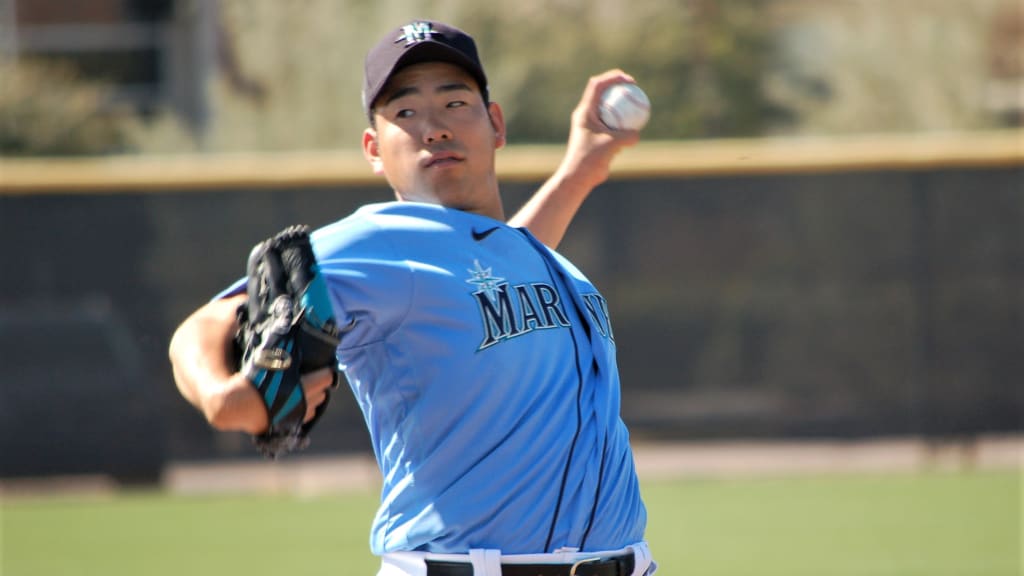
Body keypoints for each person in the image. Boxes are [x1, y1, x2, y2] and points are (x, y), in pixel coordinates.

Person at [169, 19, 656, 576]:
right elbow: (204, 322)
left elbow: (481, 273)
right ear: (374, 149)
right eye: (406, 113)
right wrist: (221, 395)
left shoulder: (525, 258)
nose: (435, 128)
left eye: (455, 103)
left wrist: (582, 168)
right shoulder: (381, 242)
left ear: (495, 124)